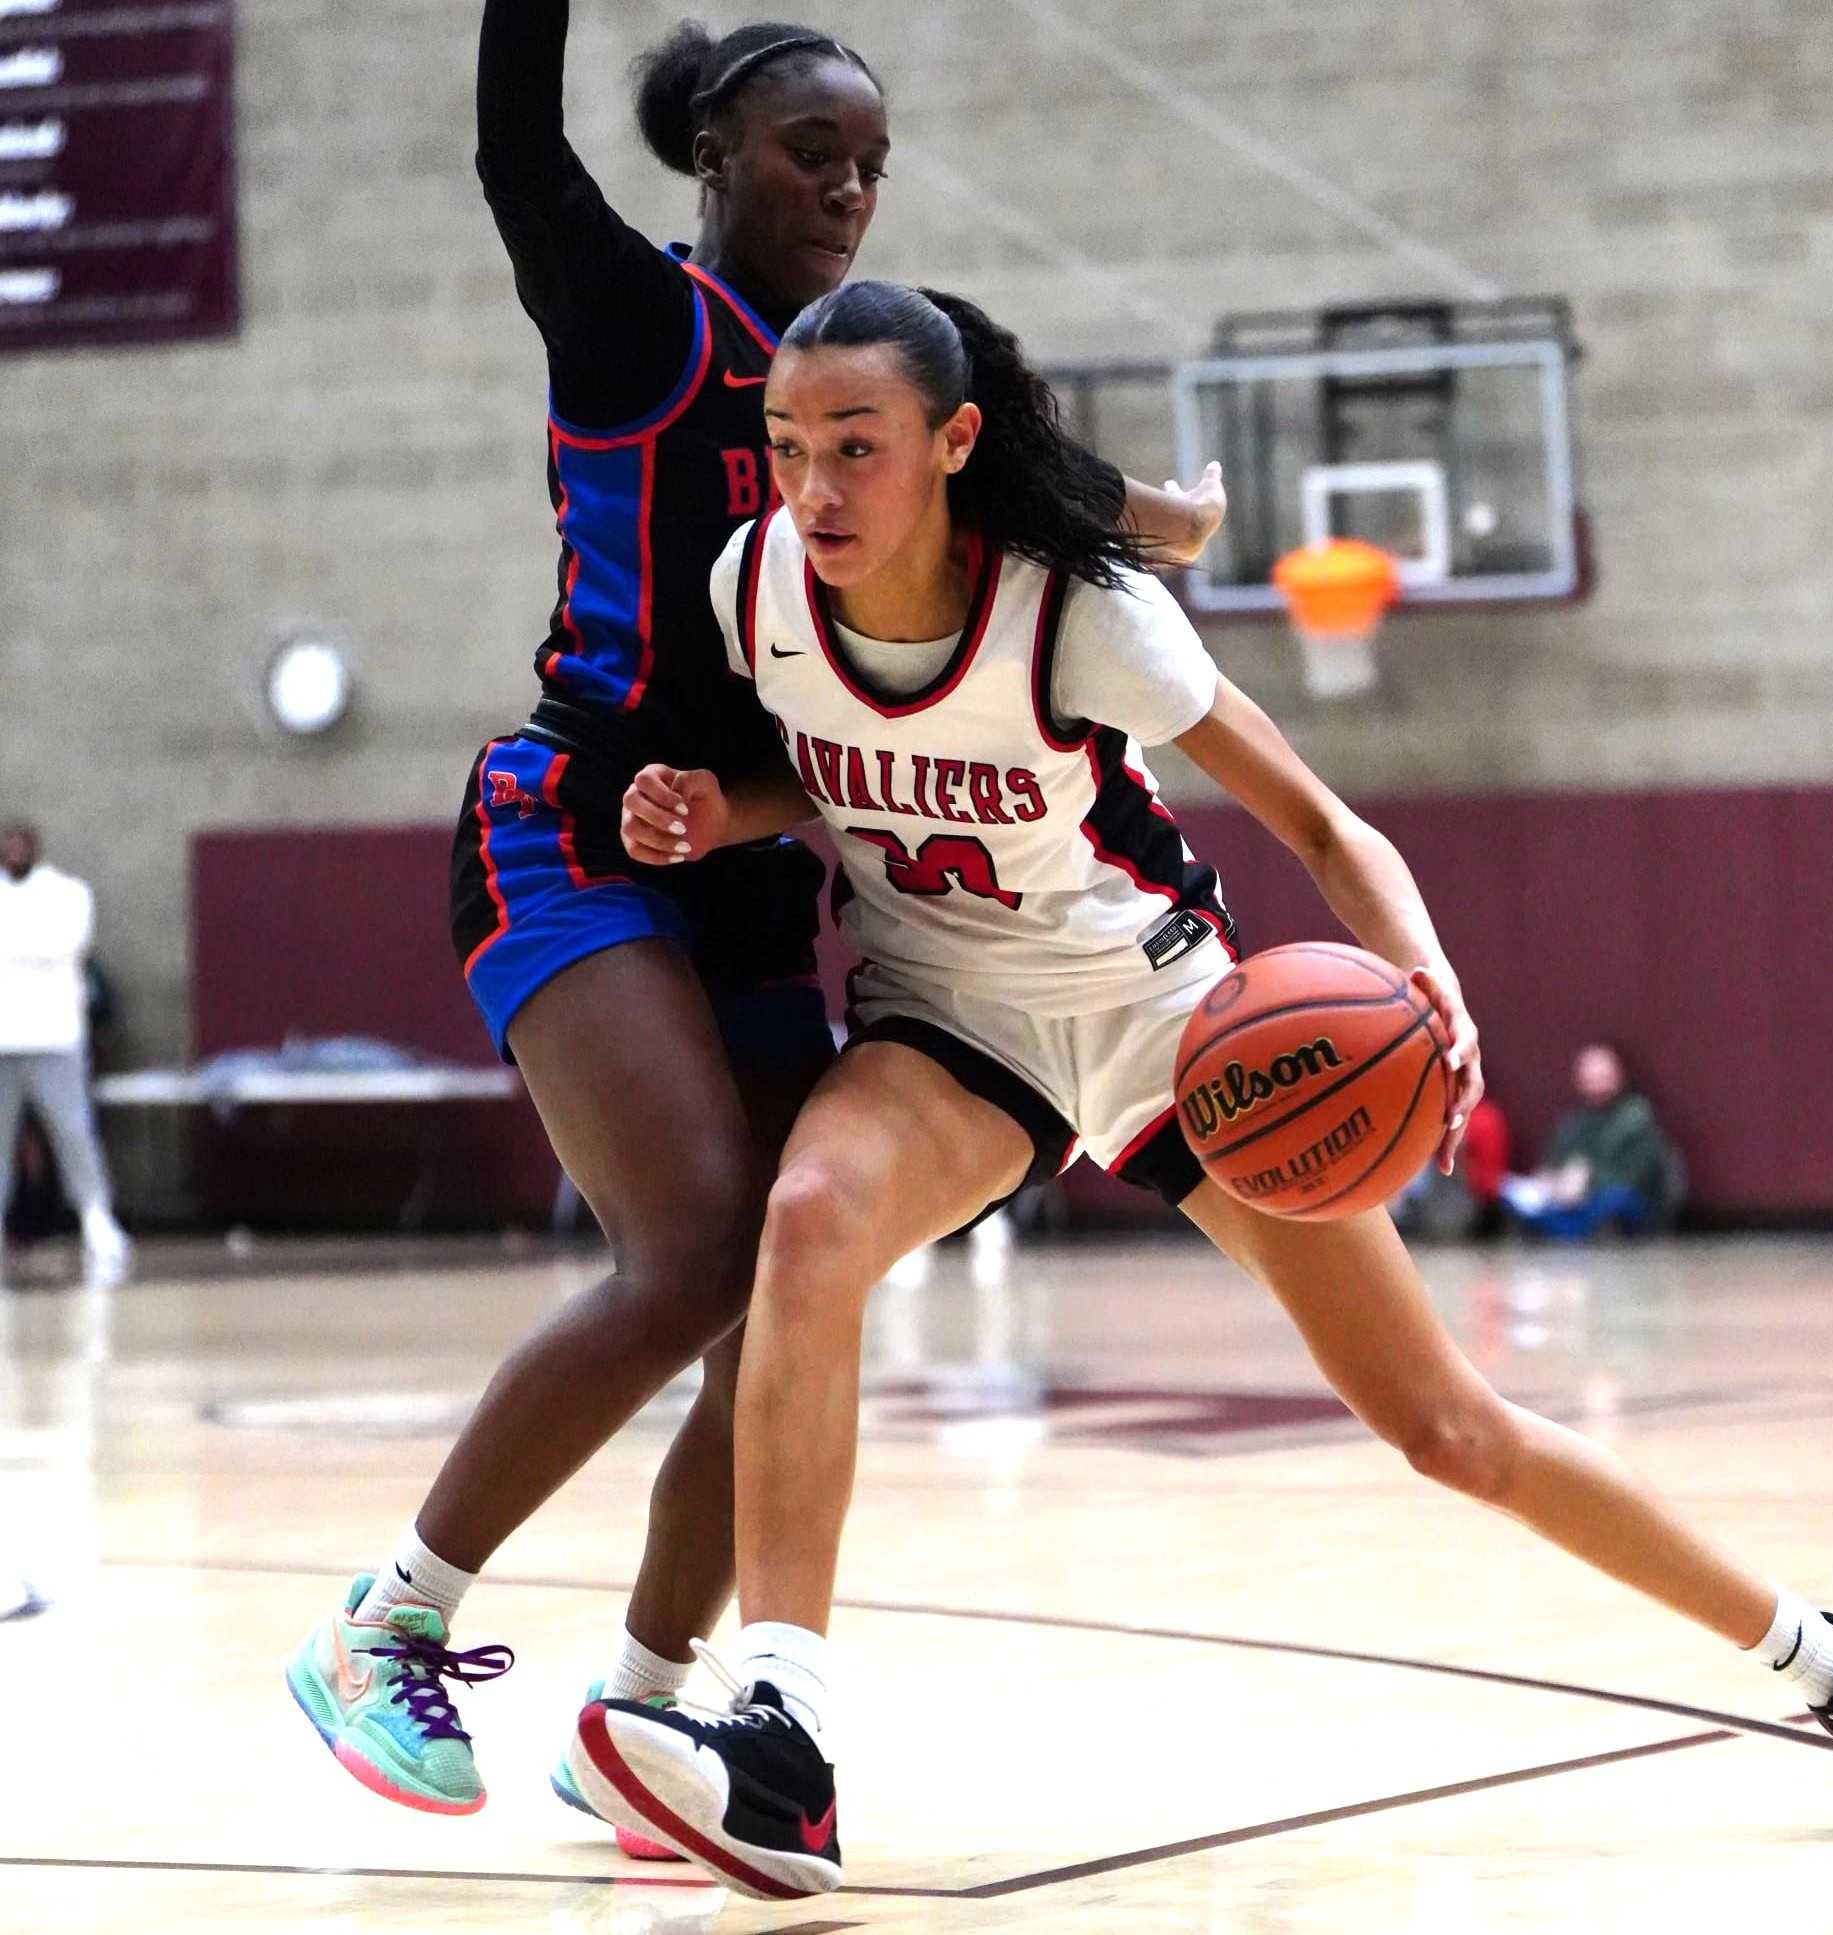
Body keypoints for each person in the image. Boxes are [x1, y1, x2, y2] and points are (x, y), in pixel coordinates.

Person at [574, 283, 1833, 1897]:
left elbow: (1328, 831)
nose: (815, 486)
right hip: (949, 1022)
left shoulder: (1079, 612)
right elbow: (822, 777)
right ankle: (786, 1745)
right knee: (810, 1226)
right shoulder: (753, 583)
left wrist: (1433, 987)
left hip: (1167, 1022)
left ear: (954, 442)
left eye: (856, 445)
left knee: (1452, 1430)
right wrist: (723, 810)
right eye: (786, 446)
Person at [284, 10, 1224, 1840]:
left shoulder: (873, 368)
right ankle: (387, 1624)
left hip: (760, 853)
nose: (850, 188)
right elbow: (511, 153)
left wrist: (1160, 513)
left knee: (799, 1275)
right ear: (716, 154)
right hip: (575, 826)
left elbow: (1023, 473)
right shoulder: (646, 324)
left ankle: (638, 1714)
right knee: (702, 1245)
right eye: (812, 151)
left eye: (870, 159)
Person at [0, 822, 131, 1288]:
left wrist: (15, 948)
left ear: (34, 848)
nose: (13, 851)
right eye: (6, 844)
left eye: (20, 844)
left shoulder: (67, 893)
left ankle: (97, 1219)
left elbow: (66, 945)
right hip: (3, 1040)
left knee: (74, 1131)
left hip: (54, 1036)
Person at [1499, 1042, 1679, 1238]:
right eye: (1589, 1078)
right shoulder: (1574, 1123)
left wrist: (1588, 1182)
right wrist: (1553, 1181)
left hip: (1614, 1197)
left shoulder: (1637, 1118)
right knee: (1520, 1200)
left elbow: (1638, 1177)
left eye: (1602, 1077)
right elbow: (1552, 1163)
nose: (1596, 1084)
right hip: (1567, 1200)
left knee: (1615, 1201)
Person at [1391, 1091, 1511, 1239]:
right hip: (1473, 1206)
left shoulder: (1475, 1119)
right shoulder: (1488, 1114)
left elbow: (1485, 1184)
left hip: (1461, 1207)